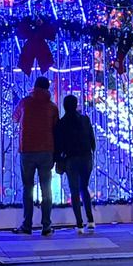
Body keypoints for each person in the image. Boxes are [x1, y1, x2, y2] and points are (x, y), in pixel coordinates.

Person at [12, 76, 59, 236]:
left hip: (27, 151)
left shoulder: (25, 102)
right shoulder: (52, 107)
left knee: (28, 188)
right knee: (46, 189)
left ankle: (27, 225)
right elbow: (55, 127)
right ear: (48, 89)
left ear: (34, 87)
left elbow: (15, 118)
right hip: (46, 151)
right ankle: (46, 226)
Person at [54, 94, 98, 233]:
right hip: (86, 157)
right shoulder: (85, 120)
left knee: (74, 191)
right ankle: (90, 220)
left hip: (71, 159)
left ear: (64, 106)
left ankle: (79, 224)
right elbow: (92, 139)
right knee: (84, 187)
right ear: (76, 104)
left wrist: (58, 158)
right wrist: (91, 151)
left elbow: (59, 144)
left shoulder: (61, 123)